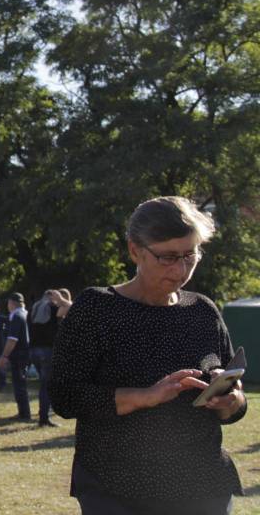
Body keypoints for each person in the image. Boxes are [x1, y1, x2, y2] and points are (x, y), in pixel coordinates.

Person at [49, 196, 248, 515]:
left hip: (202, 485)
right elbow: (65, 396)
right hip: (117, 488)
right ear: (134, 250)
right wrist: (145, 397)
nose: (181, 269)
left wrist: (231, 401)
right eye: (167, 257)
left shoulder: (203, 311)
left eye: (190, 255)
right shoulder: (96, 309)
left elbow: (234, 401)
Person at [27, 289, 72, 427]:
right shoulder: (53, 309)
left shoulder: (33, 310)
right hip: (48, 351)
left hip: (34, 351)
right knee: (46, 387)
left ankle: (43, 413)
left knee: (43, 385)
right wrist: (61, 300)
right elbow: (72, 307)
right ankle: (43, 418)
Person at [0, 292, 31, 421]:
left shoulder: (16, 316)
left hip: (18, 355)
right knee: (21, 384)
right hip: (26, 353)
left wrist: (4, 355)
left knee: (19, 385)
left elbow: (12, 339)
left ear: (11, 303)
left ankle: (24, 414)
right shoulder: (26, 314)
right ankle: (23, 412)